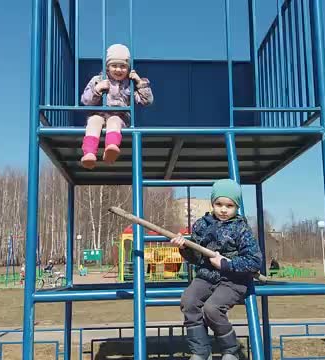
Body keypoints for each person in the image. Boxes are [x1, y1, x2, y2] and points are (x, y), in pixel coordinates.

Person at [170, 179, 263, 360]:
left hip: (233, 280)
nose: (223, 209)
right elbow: (196, 258)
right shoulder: (201, 225)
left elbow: (253, 261)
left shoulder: (241, 229)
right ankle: (200, 352)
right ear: (212, 203)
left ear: (236, 207)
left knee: (212, 309)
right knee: (189, 301)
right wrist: (184, 248)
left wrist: (226, 264)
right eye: (218, 204)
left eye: (229, 205)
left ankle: (230, 350)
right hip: (206, 276)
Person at [80, 43, 154, 169]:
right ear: (107, 67)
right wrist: (97, 89)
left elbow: (147, 100)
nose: (118, 70)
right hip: (99, 113)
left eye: (123, 66)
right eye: (114, 66)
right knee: (93, 121)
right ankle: (89, 153)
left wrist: (139, 82)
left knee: (114, 120)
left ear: (129, 68)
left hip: (119, 116)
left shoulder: (129, 84)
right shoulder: (98, 79)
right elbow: (85, 100)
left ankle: (112, 147)